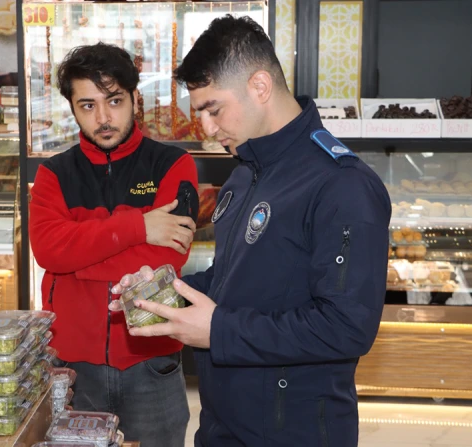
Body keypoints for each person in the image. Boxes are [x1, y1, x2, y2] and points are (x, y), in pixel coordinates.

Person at [111, 16, 392, 447]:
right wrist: (165, 288)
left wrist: (218, 331)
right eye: (199, 112)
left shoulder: (342, 185)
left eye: (213, 109)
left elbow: (347, 327)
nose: (206, 128)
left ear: (260, 87)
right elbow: (235, 280)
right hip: (224, 423)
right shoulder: (245, 175)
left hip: (295, 431)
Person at [28, 43, 198, 447]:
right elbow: (48, 251)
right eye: (87, 105)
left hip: (151, 361)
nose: (103, 118)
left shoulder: (173, 165)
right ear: (71, 108)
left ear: (136, 99)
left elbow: (166, 256)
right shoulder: (53, 174)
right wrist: (138, 227)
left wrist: (76, 258)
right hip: (71, 365)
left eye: (114, 101)